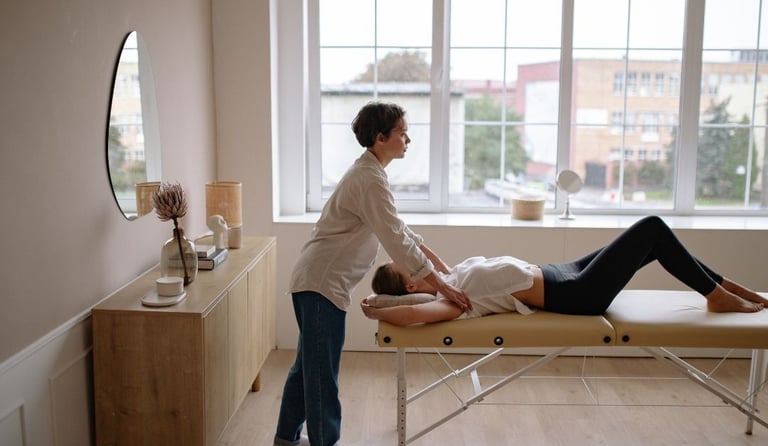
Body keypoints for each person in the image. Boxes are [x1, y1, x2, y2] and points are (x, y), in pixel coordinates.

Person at [274, 102, 472, 446]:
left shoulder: (371, 174)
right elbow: (396, 240)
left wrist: (443, 269)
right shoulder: (369, 180)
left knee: (308, 369)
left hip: (317, 282)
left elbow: (402, 231)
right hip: (320, 285)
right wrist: (441, 284)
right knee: (320, 375)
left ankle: (285, 439)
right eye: (402, 133)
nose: (408, 140)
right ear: (381, 138)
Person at [362, 215, 768, 326]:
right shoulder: (453, 301)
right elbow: (413, 314)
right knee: (652, 228)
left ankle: (727, 289)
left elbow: (417, 246)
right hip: (576, 293)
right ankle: (718, 297)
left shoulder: (447, 278)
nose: (412, 259)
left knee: (652, 240)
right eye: (406, 265)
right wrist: (377, 309)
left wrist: (401, 236)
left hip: (564, 271)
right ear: (410, 283)